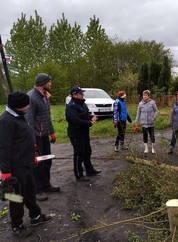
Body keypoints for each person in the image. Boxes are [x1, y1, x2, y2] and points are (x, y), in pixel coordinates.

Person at [0, 92, 52, 238]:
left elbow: (26, 139)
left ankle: (35, 216)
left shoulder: (20, 116)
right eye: (26, 104)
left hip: (26, 164)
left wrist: (33, 156)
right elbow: (4, 148)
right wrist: (5, 172)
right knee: (15, 196)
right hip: (15, 167)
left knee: (30, 191)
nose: (29, 106)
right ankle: (17, 225)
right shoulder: (6, 121)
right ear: (17, 106)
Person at [25, 73, 60, 201]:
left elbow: (47, 116)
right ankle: (37, 189)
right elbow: (28, 122)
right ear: (43, 83)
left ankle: (46, 184)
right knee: (37, 164)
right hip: (36, 137)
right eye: (49, 82)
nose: (50, 84)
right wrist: (33, 142)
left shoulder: (45, 96)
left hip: (44, 135)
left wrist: (52, 131)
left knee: (47, 161)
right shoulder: (31, 97)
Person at [65, 87, 102, 182]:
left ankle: (89, 170)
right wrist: (89, 123)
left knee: (87, 151)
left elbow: (85, 115)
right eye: (81, 93)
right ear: (75, 94)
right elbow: (75, 120)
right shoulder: (71, 106)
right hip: (76, 133)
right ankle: (79, 174)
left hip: (84, 132)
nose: (83, 95)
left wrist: (92, 117)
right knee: (79, 153)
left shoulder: (82, 103)